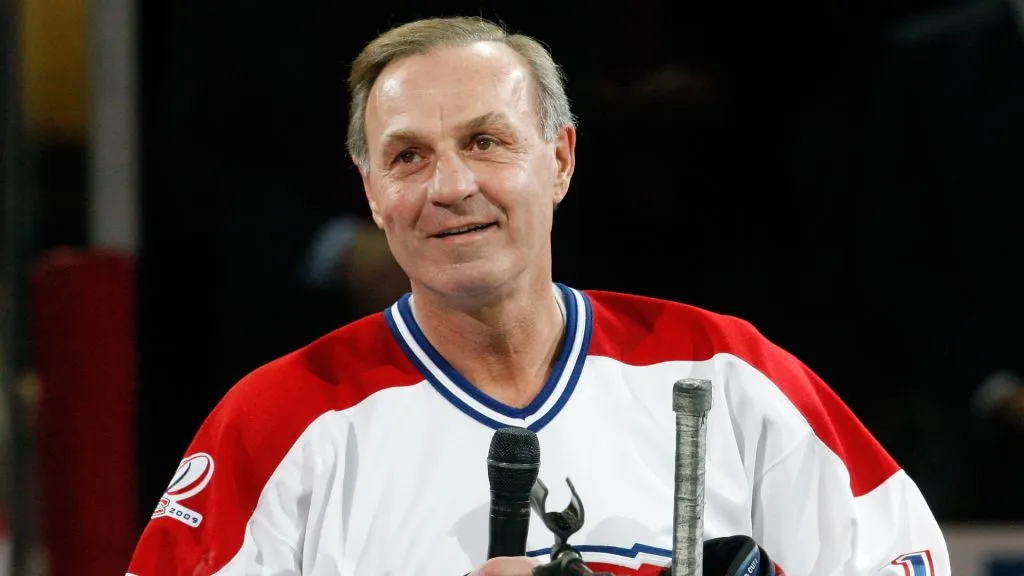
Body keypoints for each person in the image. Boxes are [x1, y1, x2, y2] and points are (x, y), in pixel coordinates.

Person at [126, 15, 950, 576]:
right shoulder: (276, 421)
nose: (449, 186)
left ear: (559, 158)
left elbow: (905, 558)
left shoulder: (725, 370)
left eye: (486, 142)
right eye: (407, 157)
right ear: (372, 192)